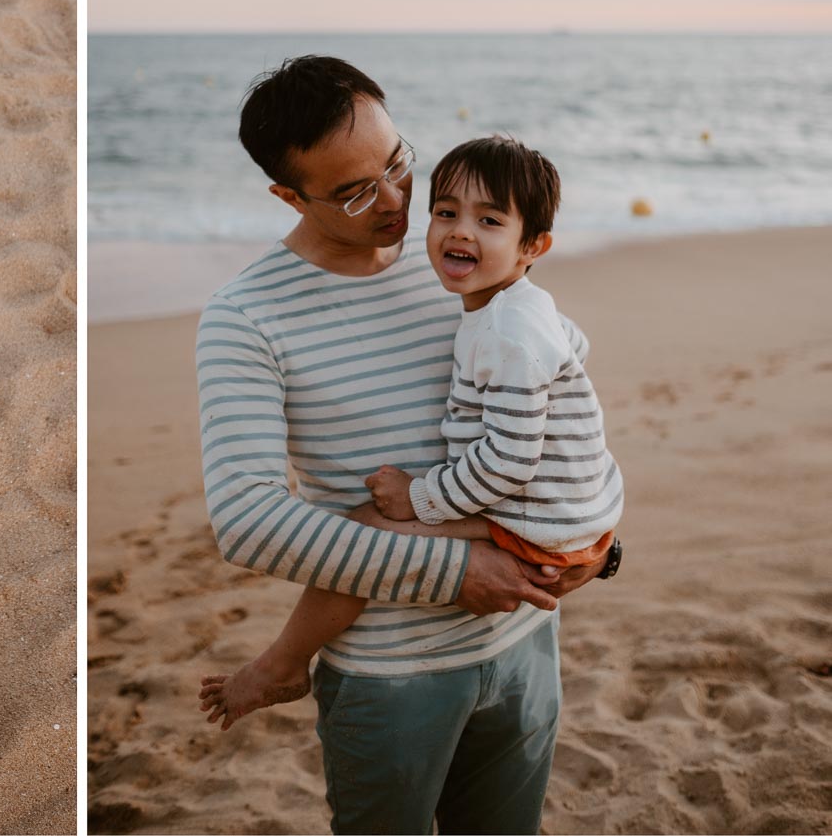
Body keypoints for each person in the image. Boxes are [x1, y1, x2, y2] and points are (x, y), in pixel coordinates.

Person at [193, 56, 620, 835]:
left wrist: (599, 543)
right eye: (357, 190)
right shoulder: (244, 318)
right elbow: (247, 519)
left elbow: (559, 399)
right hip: (392, 674)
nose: (396, 202)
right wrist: (457, 569)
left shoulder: (460, 258)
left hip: (528, 635)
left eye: (398, 164)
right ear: (287, 195)